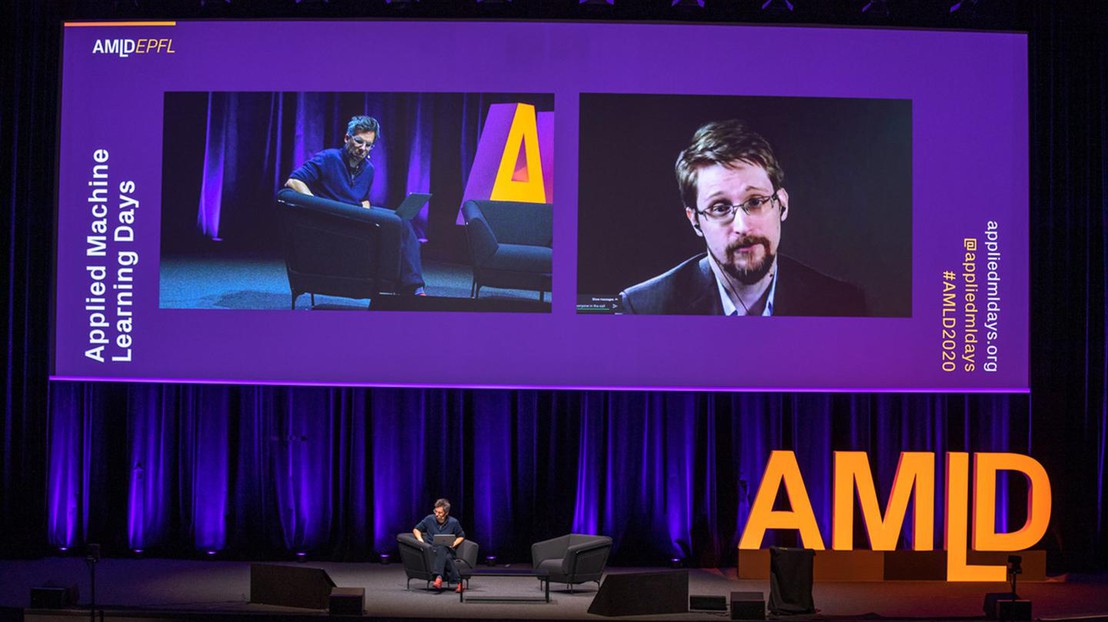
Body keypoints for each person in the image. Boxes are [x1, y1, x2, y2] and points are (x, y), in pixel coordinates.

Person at [619, 120, 866, 316]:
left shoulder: (842, 302)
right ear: (695, 220)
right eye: (720, 207)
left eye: (756, 202)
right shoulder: (641, 308)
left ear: (782, 204)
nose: (742, 226)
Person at [285, 115, 426, 296]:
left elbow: (363, 199)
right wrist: (315, 204)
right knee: (399, 224)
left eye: (369, 145)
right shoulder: (329, 158)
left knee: (402, 221)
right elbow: (294, 181)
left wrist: (367, 214)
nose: (363, 149)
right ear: (347, 138)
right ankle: (411, 288)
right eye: (359, 142)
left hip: (356, 221)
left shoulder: (368, 169)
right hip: (333, 222)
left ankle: (410, 288)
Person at [413, 498, 466, 592]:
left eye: (440, 513)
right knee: (447, 557)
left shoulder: (453, 522)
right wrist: (420, 540)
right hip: (432, 550)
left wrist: (454, 544)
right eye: (435, 511)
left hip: (448, 549)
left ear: (446, 513)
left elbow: (461, 535)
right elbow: (416, 529)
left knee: (443, 547)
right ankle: (459, 583)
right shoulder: (429, 519)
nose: (437, 514)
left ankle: (438, 577)